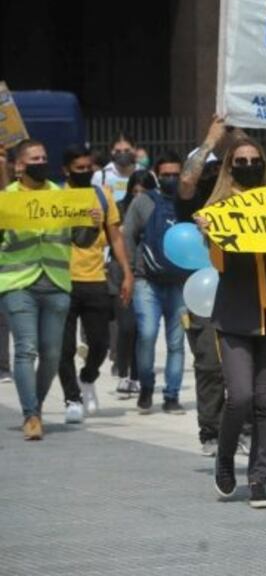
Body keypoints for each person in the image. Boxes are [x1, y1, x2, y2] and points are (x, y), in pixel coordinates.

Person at [197, 137, 266, 509]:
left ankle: (258, 479)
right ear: (230, 166)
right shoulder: (220, 206)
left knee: (265, 401)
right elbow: (220, 266)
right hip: (235, 313)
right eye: (240, 161)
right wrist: (212, 235)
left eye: (254, 159)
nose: (248, 165)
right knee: (240, 395)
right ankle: (224, 458)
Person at [0, 139, 98, 440]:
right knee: (26, 349)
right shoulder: (6, 199)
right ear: (19, 165)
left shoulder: (62, 196)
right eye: (34, 158)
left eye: (44, 157)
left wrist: (92, 225)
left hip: (56, 282)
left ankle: (36, 406)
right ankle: (30, 415)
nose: (41, 162)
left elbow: (80, 240)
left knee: (52, 355)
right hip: (19, 283)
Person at [57, 147, 134, 423]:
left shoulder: (103, 195)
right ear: (66, 170)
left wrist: (127, 272)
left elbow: (115, 238)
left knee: (100, 343)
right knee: (63, 348)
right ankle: (72, 398)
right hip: (61, 280)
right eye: (79, 168)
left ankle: (87, 377)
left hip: (95, 280)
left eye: (88, 167)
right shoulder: (55, 196)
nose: (85, 172)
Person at [178, 117, 232, 453]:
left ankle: (242, 427)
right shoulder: (191, 200)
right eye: (208, 171)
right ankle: (210, 430)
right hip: (204, 290)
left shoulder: (247, 192)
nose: (213, 177)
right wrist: (210, 142)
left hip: (243, 285)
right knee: (210, 364)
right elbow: (186, 181)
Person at [123, 150, 189, 415]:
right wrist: (131, 270)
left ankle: (171, 395)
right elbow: (128, 235)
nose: (171, 179)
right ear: (156, 176)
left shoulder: (190, 202)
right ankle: (147, 385)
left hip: (180, 283)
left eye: (176, 174)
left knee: (176, 343)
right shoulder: (142, 202)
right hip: (146, 281)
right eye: (166, 175)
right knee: (147, 335)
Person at [112, 170, 157, 399]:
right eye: (135, 191)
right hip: (121, 271)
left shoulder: (155, 209)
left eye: (144, 192)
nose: (139, 196)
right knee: (126, 326)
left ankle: (136, 376)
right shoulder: (118, 209)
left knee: (141, 329)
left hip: (145, 274)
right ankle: (122, 372)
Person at [92, 132, 138, 202]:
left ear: (134, 149)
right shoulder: (100, 176)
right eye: (118, 151)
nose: (123, 154)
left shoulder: (145, 173)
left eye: (127, 150)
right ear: (111, 151)